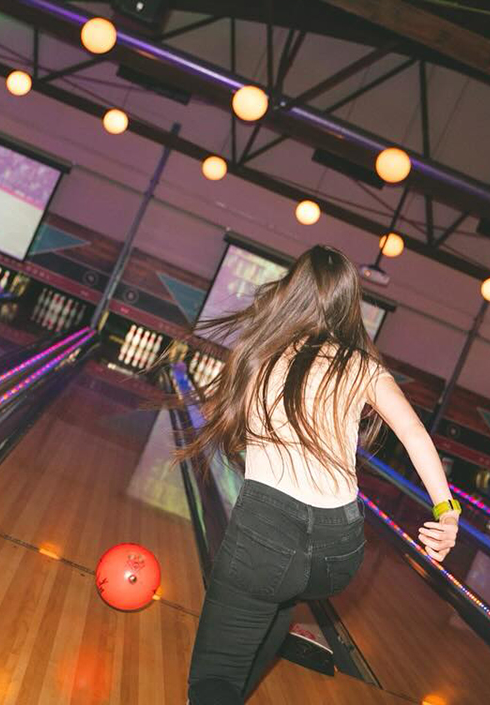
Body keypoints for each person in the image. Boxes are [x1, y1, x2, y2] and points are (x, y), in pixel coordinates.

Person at [175, 245, 461, 704]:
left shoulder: (262, 349)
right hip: (337, 551)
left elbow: (231, 422)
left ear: (293, 291)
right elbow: (414, 434)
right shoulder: (363, 367)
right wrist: (447, 513)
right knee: (279, 600)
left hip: (267, 535)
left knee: (214, 679)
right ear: (350, 305)